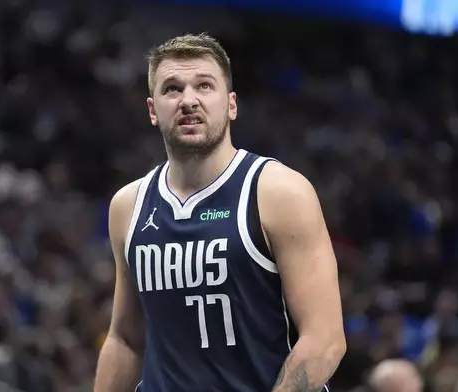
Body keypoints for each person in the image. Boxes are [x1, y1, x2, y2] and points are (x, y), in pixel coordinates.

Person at [94, 33, 346, 392]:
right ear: (153, 110)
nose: (189, 100)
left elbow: (324, 340)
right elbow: (125, 340)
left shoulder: (278, 192)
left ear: (231, 105)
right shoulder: (128, 205)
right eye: (172, 89)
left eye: (204, 86)